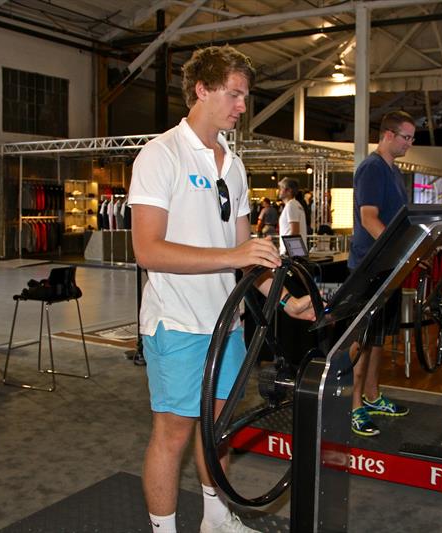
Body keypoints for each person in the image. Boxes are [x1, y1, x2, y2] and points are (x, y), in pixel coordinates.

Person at [128, 45, 315, 533]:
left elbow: (246, 253)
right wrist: (233, 257)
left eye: (244, 97)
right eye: (233, 94)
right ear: (202, 89)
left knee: (220, 430)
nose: (241, 106)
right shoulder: (160, 153)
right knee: (172, 434)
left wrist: (286, 298)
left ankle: (217, 518)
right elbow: (147, 249)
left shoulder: (233, 165)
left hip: (227, 323)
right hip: (177, 321)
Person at [348, 110, 416, 437]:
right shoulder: (372, 169)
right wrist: (398, 250)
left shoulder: (394, 171)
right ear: (388, 134)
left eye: (412, 138)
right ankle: (353, 404)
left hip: (389, 267)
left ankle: (373, 395)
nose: (410, 143)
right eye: (406, 137)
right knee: (361, 339)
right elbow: (369, 219)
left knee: (378, 339)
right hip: (369, 265)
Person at [276, 178, 307, 254]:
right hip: (295, 252)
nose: (279, 191)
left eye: (281, 188)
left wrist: (287, 251)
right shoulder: (295, 205)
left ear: (289, 191)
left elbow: (295, 231)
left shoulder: (291, 205)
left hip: (292, 253)